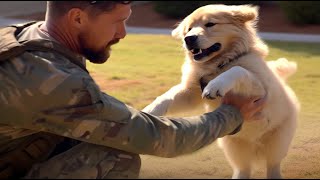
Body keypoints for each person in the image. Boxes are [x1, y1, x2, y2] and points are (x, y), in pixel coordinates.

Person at [0, 1, 266, 179]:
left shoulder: (26, 37)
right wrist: (231, 114)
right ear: (78, 18)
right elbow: (157, 138)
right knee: (119, 155)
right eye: (118, 21)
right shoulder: (53, 80)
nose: (123, 33)